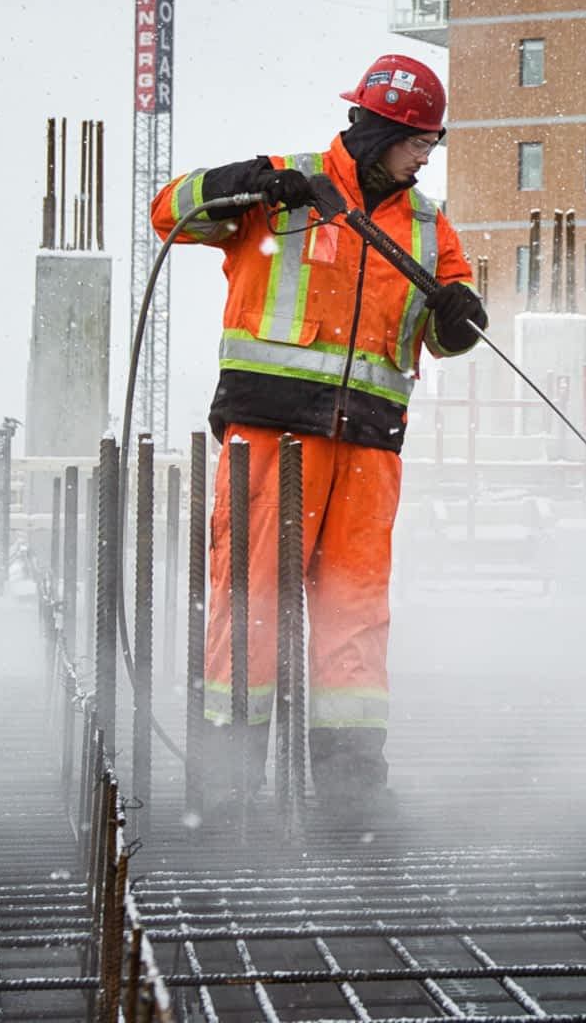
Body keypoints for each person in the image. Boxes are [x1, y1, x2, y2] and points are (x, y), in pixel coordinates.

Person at [151, 53, 486, 820]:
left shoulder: (431, 228)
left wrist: (461, 316)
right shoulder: (283, 186)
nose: (427, 157)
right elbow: (169, 212)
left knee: (354, 614)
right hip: (270, 436)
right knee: (253, 605)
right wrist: (245, 181)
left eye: (433, 143)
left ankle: (348, 793)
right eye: (418, 141)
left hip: (369, 447)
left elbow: (448, 333)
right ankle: (229, 786)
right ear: (376, 131)